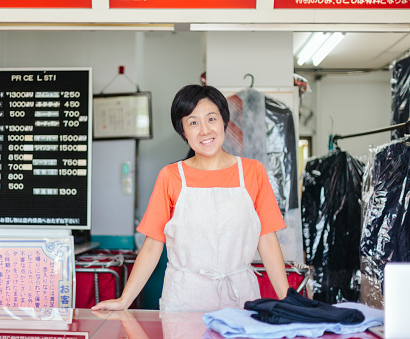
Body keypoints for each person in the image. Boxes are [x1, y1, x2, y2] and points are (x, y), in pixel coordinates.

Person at [92, 84, 289, 312]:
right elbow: (153, 245)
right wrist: (124, 300)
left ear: (224, 121)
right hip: (184, 299)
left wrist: (287, 300)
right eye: (193, 122)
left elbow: (267, 239)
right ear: (183, 131)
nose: (205, 130)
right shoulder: (171, 176)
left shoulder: (253, 172)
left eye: (211, 119)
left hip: (240, 298)